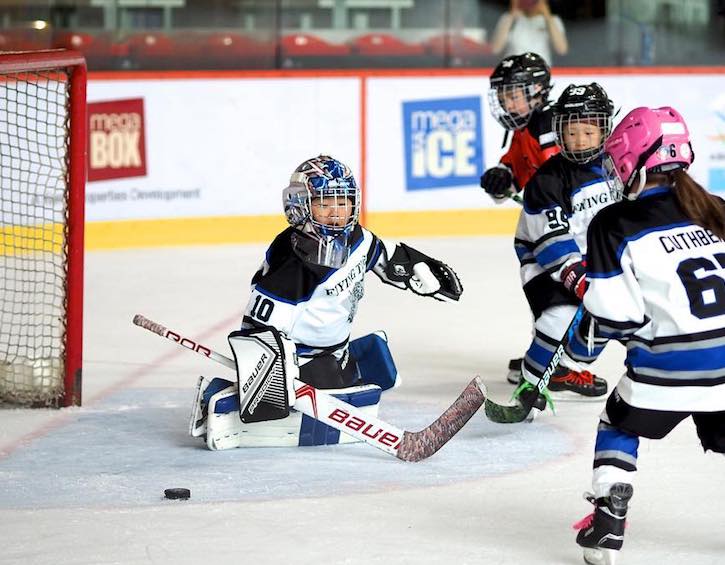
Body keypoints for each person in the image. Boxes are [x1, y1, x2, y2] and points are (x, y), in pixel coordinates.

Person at [189, 155, 464, 449]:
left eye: (343, 202)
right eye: (324, 203)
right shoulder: (293, 263)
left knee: (381, 367)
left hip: (336, 349)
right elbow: (258, 330)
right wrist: (275, 379)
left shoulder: (357, 239)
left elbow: (385, 256)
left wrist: (419, 270)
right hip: (300, 360)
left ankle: (334, 372)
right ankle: (220, 395)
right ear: (300, 207)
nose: (336, 212)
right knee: (339, 388)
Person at [566, 107, 725, 565]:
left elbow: (616, 316)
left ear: (633, 161)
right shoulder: (715, 208)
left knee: (618, 424)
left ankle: (608, 519)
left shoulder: (614, 223)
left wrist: (583, 337)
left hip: (665, 368)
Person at [512, 83, 615, 409]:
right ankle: (529, 384)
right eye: (571, 132)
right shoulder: (548, 180)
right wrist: (578, 278)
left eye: (588, 131)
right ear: (558, 132)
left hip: (593, 263)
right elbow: (550, 242)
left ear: (604, 130)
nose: (579, 140)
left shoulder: (616, 170)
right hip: (544, 262)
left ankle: (565, 366)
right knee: (558, 317)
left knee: (604, 326)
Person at [480, 51, 560, 387]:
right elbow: (513, 171)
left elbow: (565, 181)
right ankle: (550, 355)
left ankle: (567, 365)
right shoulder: (525, 130)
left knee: (561, 295)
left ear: (537, 91)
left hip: (566, 229)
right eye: (503, 95)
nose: (506, 102)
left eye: (512, 94)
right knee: (543, 291)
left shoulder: (549, 129)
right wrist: (500, 178)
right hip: (545, 226)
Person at [490, 0, 568, 66]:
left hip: (540, 69)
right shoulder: (508, 18)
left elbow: (562, 50)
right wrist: (512, 14)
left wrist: (547, 16)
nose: (530, 3)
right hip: (514, 69)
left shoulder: (553, 20)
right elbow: (495, 49)